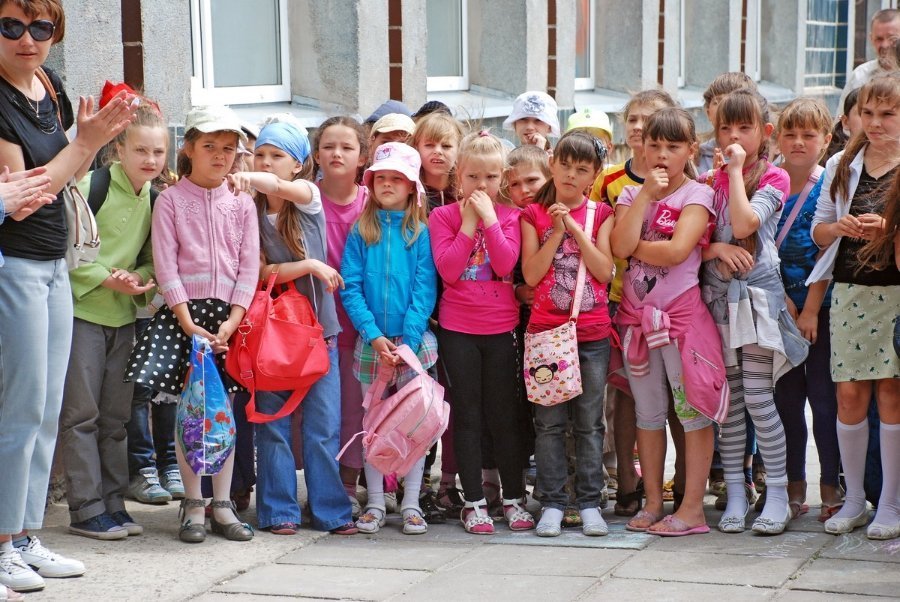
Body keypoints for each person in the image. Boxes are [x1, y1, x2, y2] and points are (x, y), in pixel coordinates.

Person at [0, 0, 138, 594]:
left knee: (46, 408)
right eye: (10, 26)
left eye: (40, 27)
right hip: (15, 266)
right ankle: (2, 542)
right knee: (20, 407)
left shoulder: (49, 85)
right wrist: (85, 143)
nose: (27, 39)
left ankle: (24, 534)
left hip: (55, 260)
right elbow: (25, 193)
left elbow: (59, 184)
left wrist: (80, 149)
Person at [125, 105, 259, 543]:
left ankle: (223, 503)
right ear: (188, 148)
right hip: (185, 320)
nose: (220, 156)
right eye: (209, 146)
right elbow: (165, 265)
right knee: (191, 413)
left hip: (229, 321)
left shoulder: (242, 203)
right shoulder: (169, 201)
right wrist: (185, 321)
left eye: (228, 149)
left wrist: (234, 320)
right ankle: (194, 502)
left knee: (224, 412)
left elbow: (248, 266)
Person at [229, 119, 357, 536]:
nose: (266, 162)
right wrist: (308, 265)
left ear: (298, 164)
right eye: (260, 154)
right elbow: (259, 271)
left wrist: (249, 176)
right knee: (272, 426)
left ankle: (331, 511)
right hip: (272, 335)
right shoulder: (249, 210)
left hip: (320, 332)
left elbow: (282, 188)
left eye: (276, 155)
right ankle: (277, 510)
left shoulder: (307, 196)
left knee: (323, 428)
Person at [611, 107, 724, 536]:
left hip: (681, 322)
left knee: (692, 412)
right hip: (637, 323)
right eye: (654, 145)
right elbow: (618, 247)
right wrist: (644, 197)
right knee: (648, 413)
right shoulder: (629, 195)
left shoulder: (697, 194)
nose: (661, 154)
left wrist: (634, 246)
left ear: (691, 150)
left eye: (672, 147)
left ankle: (692, 508)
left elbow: (677, 251)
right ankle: (653, 502)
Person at [701, 88, 808, 536]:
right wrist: (716, 249)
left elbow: (746, 223)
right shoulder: (706, 182)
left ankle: (778, 495)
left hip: (758, 301)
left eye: (744, 127)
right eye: (725, 128)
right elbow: (692, 241)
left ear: (764, 133)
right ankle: (737, 494)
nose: (733, 136)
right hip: (717, 300)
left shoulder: (774, 178)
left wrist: (734, 171)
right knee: (730, 405)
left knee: (761, 399)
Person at [59, 101, 167, 540]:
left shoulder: (155, 199)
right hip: (82, 313)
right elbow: (65, 249)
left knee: (116, 418)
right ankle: (86, 509)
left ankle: (113, 503)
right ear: (118, 149)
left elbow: (152, 260)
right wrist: (107, 278)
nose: (150, 160)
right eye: (141, 150)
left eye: (158, 152)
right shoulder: (93, 185)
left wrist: (138, 279)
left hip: (124, 319)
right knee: (82, 415)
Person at [809, 74, 900, 540]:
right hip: (849, 291)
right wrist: (840, 227)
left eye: (887, 114)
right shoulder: (841, 164)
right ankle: (855, 499)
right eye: (868, 113)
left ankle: (890, 503)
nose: (875, 123)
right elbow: (818, 231)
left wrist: (888, 228)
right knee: (848, 396)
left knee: (891, 396)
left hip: (895, 294)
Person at [430, 131, 534, 534]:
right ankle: (473, 501)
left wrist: (489, 220)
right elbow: (449, 270)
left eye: (491, 177)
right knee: (468, 414)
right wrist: (469, 222)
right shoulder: (443, 217)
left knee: (504, 414)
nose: (481, 185)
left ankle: (513, 498)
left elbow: (506, 265)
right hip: (458, 328)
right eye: (473, 177)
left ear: (502, 178)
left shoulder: (511, 217)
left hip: (501, 328)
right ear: (459, 176)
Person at [340, 142, 437, 535]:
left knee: (415, 425)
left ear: (412, 186)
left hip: (413, 346)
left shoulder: (420, 234)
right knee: (374, 426)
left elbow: (424, 290)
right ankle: (377, 503)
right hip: (373, 345)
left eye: (398, 178)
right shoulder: (361, 232)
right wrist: (374, 335)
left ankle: (411, 503)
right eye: (381, 177)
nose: (388, 184)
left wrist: (407, 342)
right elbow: (351, 287)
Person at [589, 89, 677, 519]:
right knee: (625, 395)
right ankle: (627, 480)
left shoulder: (687, 178)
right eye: (634, 119)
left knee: (675, 395)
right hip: (619, 301)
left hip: (674, 305)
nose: (641, 127)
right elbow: (596, 235)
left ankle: (679, 480)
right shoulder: (609, 180)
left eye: (651, 118)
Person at [521, 130, 613, 537]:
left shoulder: (602, 215)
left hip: (591, 334)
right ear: (552, 165)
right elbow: (531, 274)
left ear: (594, 175)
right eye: (565, 166)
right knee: (549, 423)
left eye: (582, 169)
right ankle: (553, 502)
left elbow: (605, 271)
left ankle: (590, 501)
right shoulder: (532, 215)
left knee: (590, 423)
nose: (571, 175)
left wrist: (575, 229)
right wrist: (556, 231)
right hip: (546, 333)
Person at [772, 98, 843, 523]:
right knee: (786, 401)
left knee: (824, 400)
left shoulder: (830, 187)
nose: (798, 142)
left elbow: (829, 253)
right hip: (775, 310)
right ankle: (792, 486)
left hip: (823, 310)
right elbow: (758, 248)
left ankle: (830, 485)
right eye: (790, 134)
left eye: (808, 135)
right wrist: (781, 301)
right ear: (777, 138)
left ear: (826, 140)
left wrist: (811, 310)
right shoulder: (767, 182)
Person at [312, 116, 369, 519]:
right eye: (328, 146)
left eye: (347, 147)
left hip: (360, 324)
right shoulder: (304, 198)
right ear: (316, 154)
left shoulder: (372, 202)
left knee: (354, 410)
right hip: (313, 322)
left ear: (362, 156)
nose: (337, 153)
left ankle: (348, 485)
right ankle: (320, 485)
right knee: (319, 414)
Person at [410, 109, 464, 520]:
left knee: (456, 402)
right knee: (423, 402)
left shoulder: (466, 193)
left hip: (462, 311)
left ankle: (450, 482)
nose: (438, 152)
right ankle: (418, 483)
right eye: (430, 144)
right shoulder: (411, 195)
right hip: (422, 313)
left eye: (447, 145)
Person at [837, 9, 900, 121]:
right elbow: (841, 120)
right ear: (871, 39)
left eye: (892, 39)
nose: (885, 45)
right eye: (879, 39)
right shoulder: (860, 76)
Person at [697, 72, 757, 175]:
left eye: (733, 101)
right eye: (717, 102)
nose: (724, 108)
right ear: (708, 112)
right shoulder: (697, 155)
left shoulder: (761, 155)